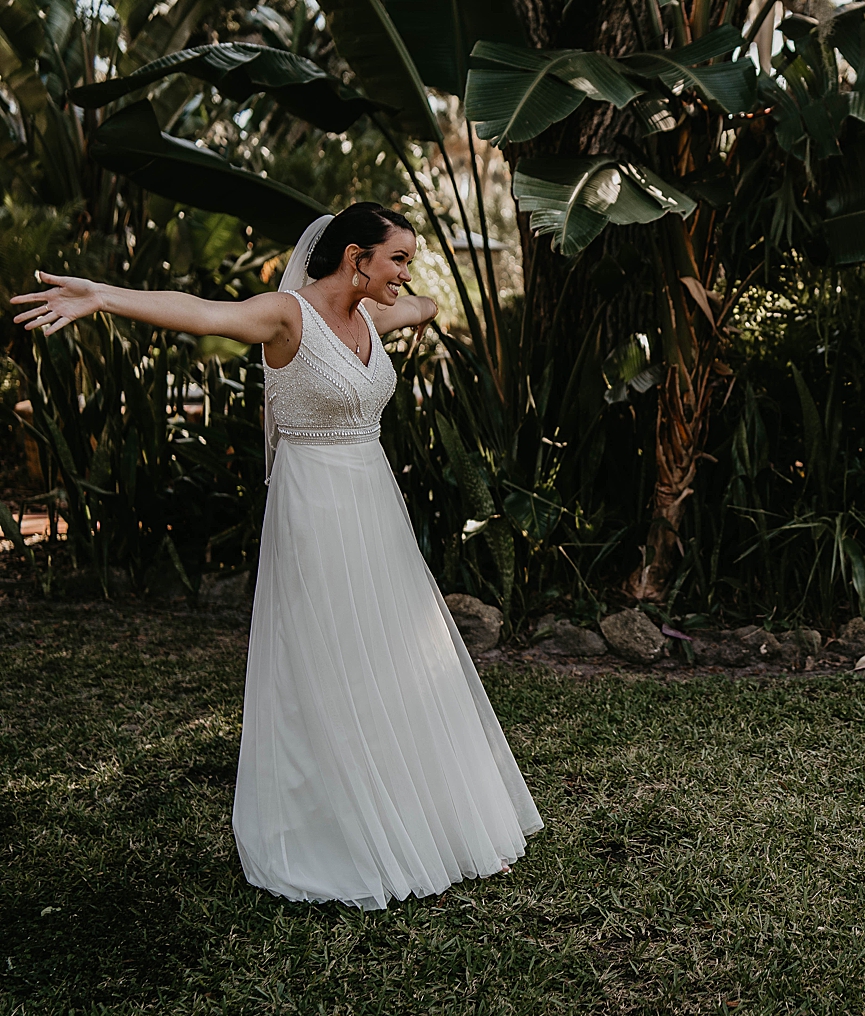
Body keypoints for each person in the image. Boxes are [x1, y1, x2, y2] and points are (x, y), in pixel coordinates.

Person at [12, 203, 544, 910]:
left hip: (374, 507)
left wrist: (421, 301)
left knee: (392, 656)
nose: (405, 272)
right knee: (331, 660)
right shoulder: (286, 315)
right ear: (355, 257)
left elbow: (423, 304)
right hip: (315, 507)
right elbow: (199, 311)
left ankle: (431, 817)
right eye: (397, 258)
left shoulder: (372, 316)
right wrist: (103, 296)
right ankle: (344, 828)